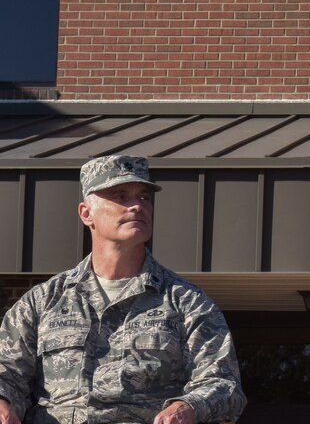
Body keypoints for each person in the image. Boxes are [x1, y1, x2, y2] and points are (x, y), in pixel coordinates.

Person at [0, 156, 246, 424]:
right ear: (86, 213)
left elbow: (224, 384)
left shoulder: (186, 303)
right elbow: (7, 373)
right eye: (121, 196)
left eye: (144, 197)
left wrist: (186, 407)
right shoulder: (42, 303)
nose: (137, 206)